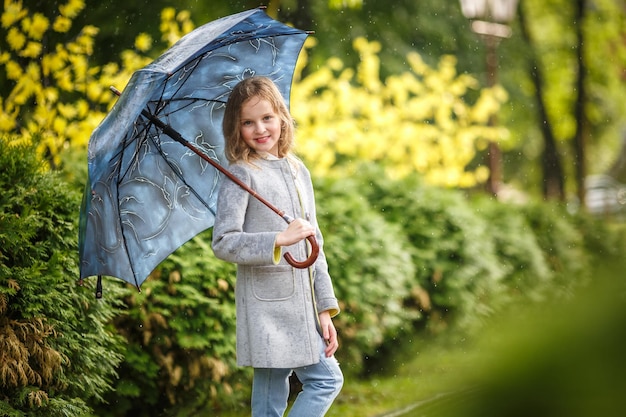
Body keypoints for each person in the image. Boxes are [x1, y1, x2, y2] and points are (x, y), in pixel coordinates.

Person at [211, 76, 343, 417]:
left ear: (282, 117)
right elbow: (224, 242)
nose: (260, 129)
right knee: (306, 387)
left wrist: (324, 309)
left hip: (303, 307)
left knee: (316, 384)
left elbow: (317, 245)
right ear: (235, 128)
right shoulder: (240, 174)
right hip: (267, 308)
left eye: (267, 118)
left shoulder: (299, 171)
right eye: (248, 122)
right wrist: (277, 240)